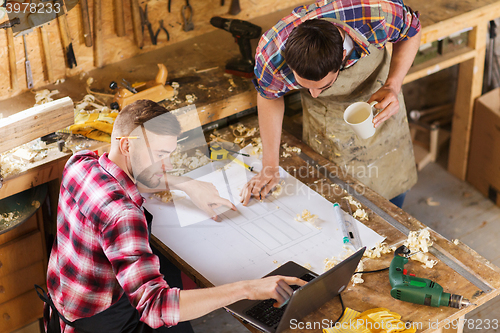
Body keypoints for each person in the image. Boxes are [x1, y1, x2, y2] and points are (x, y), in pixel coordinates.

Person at [39, 100, 306, 333]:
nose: (166, 166)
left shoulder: (81, 163)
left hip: (64, 296)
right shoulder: (123, 215)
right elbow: (155, 307)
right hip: (101, 319)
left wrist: (185, 184)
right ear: (127, 146)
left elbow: (132, 179)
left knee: (167, 271)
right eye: (160, 156)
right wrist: (247, 290)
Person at [241, 0, 421, 208]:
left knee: (391, 191)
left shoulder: (376, 14)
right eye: (305, 86)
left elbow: (412, 30)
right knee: (336, 198)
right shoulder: (271, 53)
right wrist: (270, 166)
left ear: (343, 56)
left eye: (323, 86)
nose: (314, 95)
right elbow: (269, 95)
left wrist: (393, 85)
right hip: (328, 121)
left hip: (381, 102)